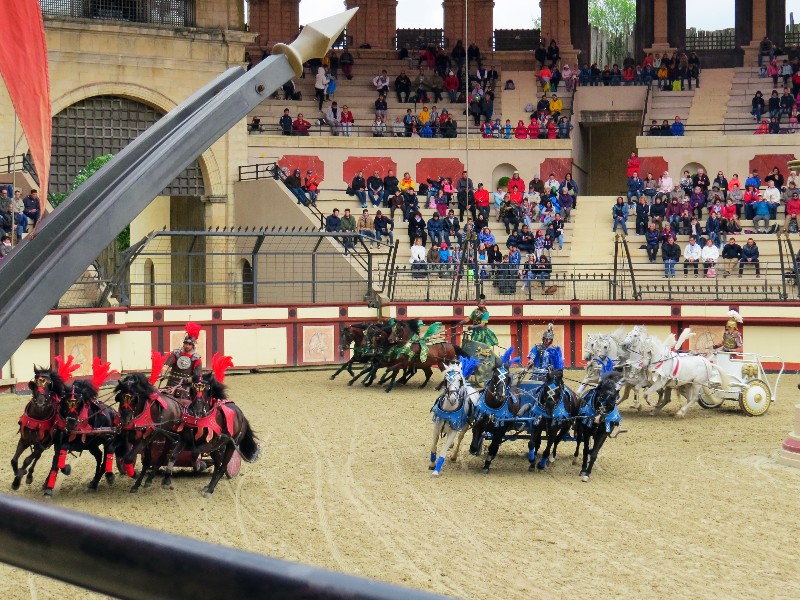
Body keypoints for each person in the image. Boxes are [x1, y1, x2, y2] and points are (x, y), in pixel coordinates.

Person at [161, 323, 203, 397]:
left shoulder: (197, 359)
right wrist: (163, 374)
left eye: (189, 344)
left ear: (193, 345)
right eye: (185, 343)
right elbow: (166, 365)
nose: (187, 346)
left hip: (185, 387)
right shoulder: (175, 354)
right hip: (171, 383)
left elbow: (196, 376)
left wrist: (187, 380)